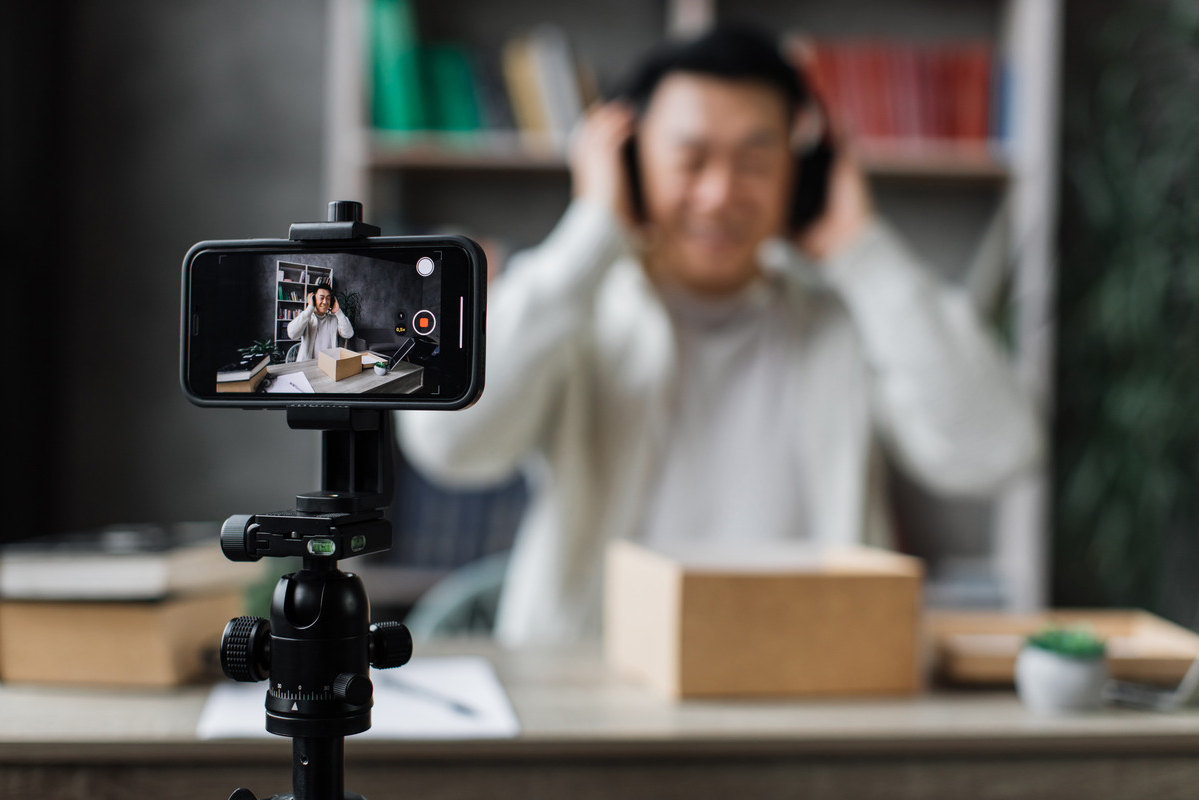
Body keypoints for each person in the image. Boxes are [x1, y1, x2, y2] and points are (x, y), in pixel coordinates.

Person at [397, 26, 1042, 646]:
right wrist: (593, 229)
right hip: (599, 683)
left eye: (756, 160)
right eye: (691, 158)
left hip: (812, 679)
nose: (719, 193)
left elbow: (998, 450)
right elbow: (447, 444)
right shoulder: (578, 308)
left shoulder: (845, 320)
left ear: (802, 173)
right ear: (631, 162)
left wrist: (861, 249)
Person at [287, 284, 354, 361]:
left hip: (328, 363)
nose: (325, 302)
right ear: (314, 299)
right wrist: (310, 308)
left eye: (328, 298)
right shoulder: (306, 318)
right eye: (321, 298)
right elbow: (292, 334)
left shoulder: (334, 319)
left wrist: (338, 312)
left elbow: (349, 334)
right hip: (308, 365)